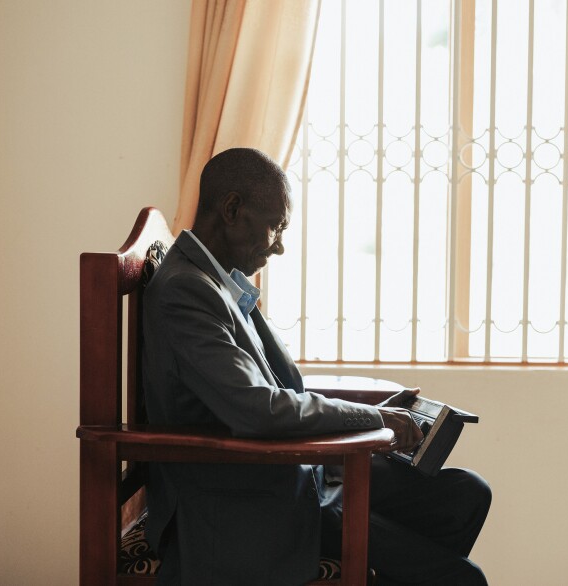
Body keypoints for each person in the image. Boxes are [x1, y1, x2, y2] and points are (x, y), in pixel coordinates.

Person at [142, 147, 490, 585]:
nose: (281, 245)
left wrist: (372, 410)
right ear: (233, 209)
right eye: (277, 226)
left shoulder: (217, 280)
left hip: (299, 474)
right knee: (461, 579)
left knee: (466, 495)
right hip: (250, 504)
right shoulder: (186, 292)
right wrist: (373, 417)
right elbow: (260, 409)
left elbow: (282, 387)